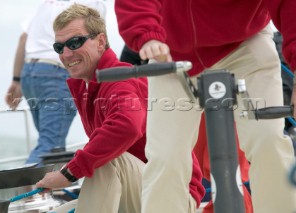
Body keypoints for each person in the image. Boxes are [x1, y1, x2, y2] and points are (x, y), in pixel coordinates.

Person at [115, 1, 296, 213]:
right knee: (165, 156)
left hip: (245, 41)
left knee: (267, 139)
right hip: (170, 49)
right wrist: (145, 33)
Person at [35, 4, 205, 213]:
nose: (66, 54)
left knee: (106, 160)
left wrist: (69, 173)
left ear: (100, 41)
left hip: (174, 196)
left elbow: (127, 126)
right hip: (139, 188)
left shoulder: (120, 79)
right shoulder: (86, 86)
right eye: (59, 48)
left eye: (75, 42)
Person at [120, 44, 253, 213]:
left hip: (217, 87)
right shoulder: (142, 41)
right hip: (180, 92)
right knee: (176, 162)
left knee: (228, 173)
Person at [5, 0, 106, 165]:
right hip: (57, 74)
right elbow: (98, 44)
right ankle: (21, 189)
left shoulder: (47, 4)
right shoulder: (93, 4)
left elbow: (24, 38)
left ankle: (51, 189)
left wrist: (16, 81)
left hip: (29, 74)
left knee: (52, 141)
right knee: (51, 146)